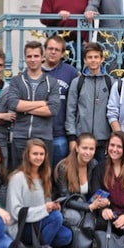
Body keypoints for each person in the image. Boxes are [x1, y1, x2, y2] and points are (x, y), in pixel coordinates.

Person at [6, 139, 72, 247]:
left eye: (42, 154)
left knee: (66, 235)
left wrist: (52, 206)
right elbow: (15, 212)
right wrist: (45, 209)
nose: (39, 157)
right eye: (35, 154)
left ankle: (36, 247)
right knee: (56, 217)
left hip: (39, 222)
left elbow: (45, 204)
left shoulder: (44, 176)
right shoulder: (17, 178)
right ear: (27, 155)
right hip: (22, 225)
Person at [6, 41, 60, 168]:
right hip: (20, 137)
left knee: (43, 178)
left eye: (36, 56)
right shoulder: (16, 81)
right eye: (29, 56)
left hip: (43, 137)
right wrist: (42, 103)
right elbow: (13, 104)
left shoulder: (51, 82)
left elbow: (52, 109)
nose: (33, 59)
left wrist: (24, 108)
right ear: (25, 58)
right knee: (19, 175)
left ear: (42, 57)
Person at [89, 131, 124, 233]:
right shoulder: (100, 168)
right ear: (107, 146)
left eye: (119, 146)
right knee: (102, 225)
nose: (114, 149)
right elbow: (96, 194)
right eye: (112, 145)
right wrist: (104, 209)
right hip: (110, 211)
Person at [65, 42, 114, 161]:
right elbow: (70, 111)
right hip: (82, 139)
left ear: (102, 59)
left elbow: (114, 111)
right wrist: (72, 138)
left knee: (101, 173)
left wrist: (112, 139)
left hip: (103, 139)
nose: (93, 60)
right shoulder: (78, 82)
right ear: (85, 60)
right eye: (90, 57)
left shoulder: (110, 82)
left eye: (96, 57)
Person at [42, 35, 79, 169]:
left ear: (63, 53)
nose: (53, 52)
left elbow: (75, 105)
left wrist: (72, 136)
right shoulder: (36, 71)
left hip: (61, 134)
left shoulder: (71, 73)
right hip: (39, 133)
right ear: (45, 50)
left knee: (59, 175)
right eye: (50, 48)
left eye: (57, 50)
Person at [54, 133, 109, 212]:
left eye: (91, 149)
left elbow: (96, 191)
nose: (88, 152)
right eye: (84, 148)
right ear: (77, 148)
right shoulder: (63, 168)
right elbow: (65, 198)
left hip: (89, 204)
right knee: (74, 218)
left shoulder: (94, 164)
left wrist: (103, 201)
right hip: (70, 207)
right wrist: (88, 207)